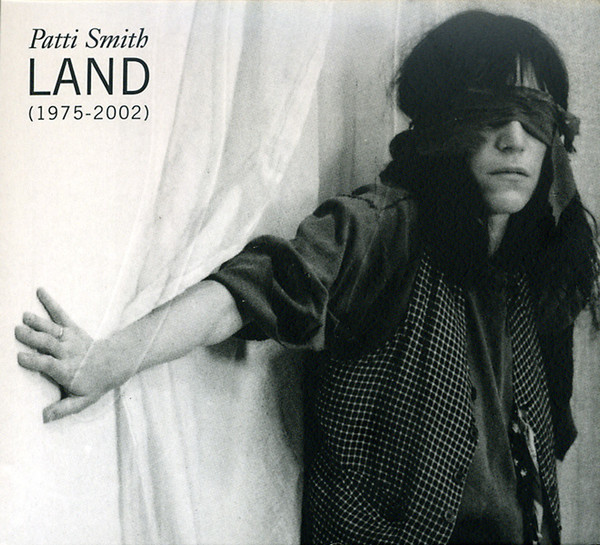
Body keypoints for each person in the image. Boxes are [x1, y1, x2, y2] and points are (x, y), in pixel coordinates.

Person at [15, 10, 599, 545]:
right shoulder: (384, 228)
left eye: (534, 116)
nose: (514, 139)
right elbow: (252, 289)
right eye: (486, 112)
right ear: (441, 126)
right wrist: (108, 360)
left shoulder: (537, 263)